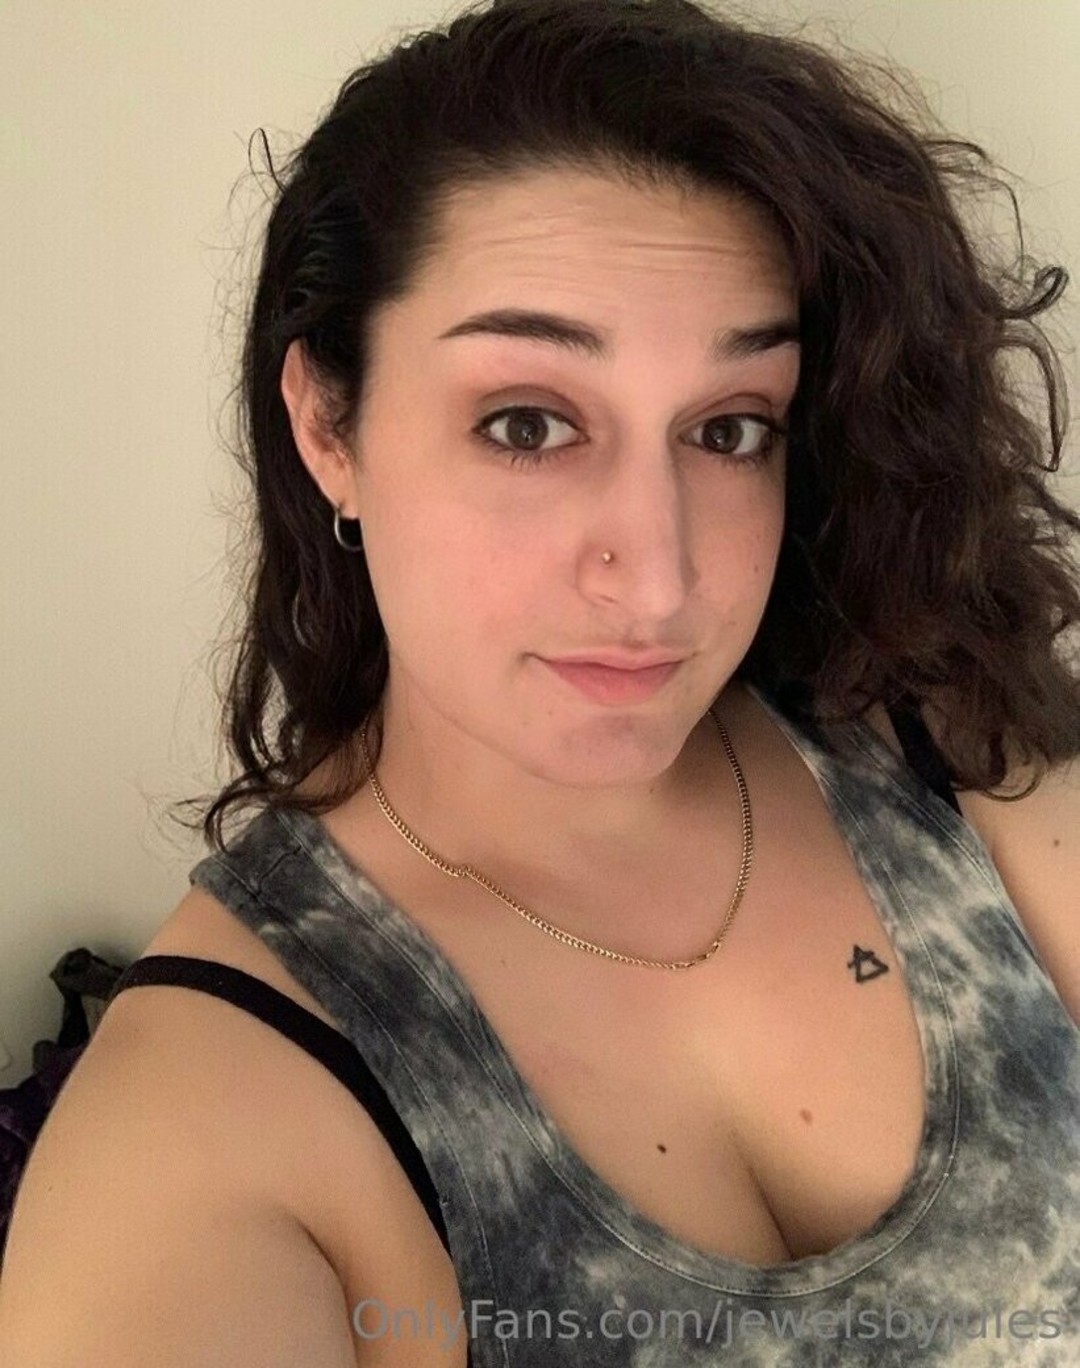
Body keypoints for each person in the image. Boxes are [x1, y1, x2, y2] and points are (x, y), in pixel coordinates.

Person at [1, 0, 1077, 1362]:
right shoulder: (204, 1123)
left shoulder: (937, 744)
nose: (660, 577)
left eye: (730, 429)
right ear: (329, 425)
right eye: (527, 423)